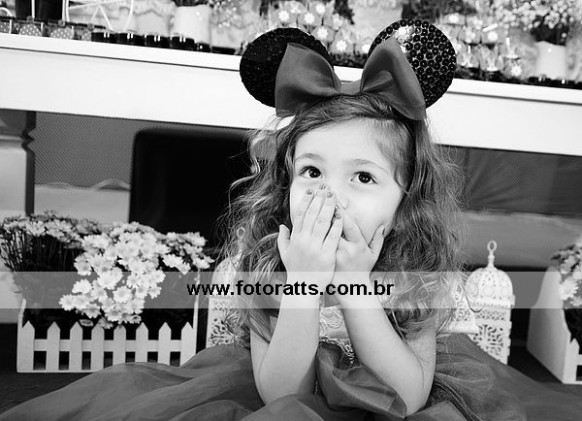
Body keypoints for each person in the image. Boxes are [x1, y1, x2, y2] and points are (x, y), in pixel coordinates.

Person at [1, 20, 581, 421]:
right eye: (312, 171)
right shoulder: (268, 265)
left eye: (363, 177)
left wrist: (353, 286)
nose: (331, 194)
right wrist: (304, 283)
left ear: (407, 199)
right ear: (285, 183)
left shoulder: (416, 273)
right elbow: (281, 396)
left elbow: (407, 398)